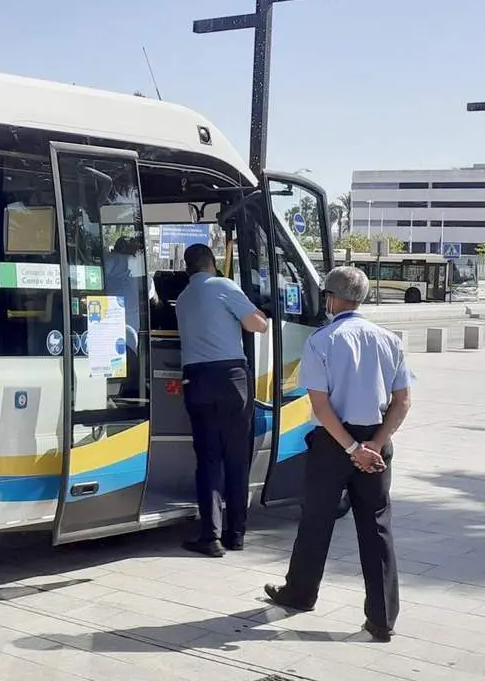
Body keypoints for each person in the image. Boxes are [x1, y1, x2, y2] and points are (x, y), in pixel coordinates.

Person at [264, 266, 410, 643]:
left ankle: (301, 593)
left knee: (316, 519)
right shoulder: (389, 340)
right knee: (376, 526)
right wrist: (373, 445)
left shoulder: (322, 340)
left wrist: (351, 448)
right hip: (376, 441)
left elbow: (320, 405)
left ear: (330, 299)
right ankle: (382, 618)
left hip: (334, 442)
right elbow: (402, 401)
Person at [175, 243, 269, 557]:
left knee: (208, 459)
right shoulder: (223, 286)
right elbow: (258, 325)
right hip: (231, 380)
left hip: (196, 380)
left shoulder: (183, 298)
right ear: (212, 264)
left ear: (187, 268)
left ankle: (210, 537)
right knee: (236, 458)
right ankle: (236, 533)